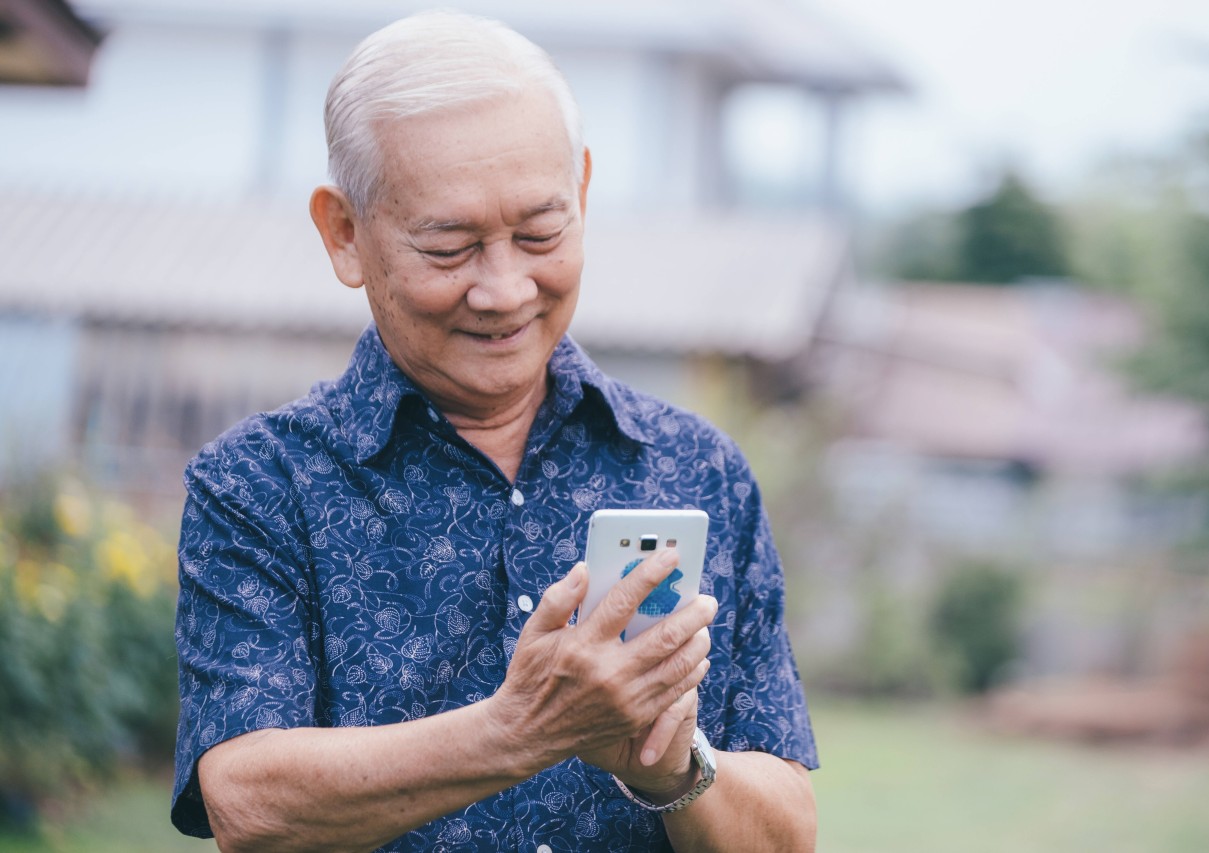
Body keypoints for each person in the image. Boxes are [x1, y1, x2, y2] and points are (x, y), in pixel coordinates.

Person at [171, 10, 818, 852]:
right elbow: (248, 804)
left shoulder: (698, 469)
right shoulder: (259, 485)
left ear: (583, 192)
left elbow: (788, 833)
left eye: (541, 233)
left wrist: (673, 765)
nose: (506, 288)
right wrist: (519, 729)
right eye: (451, 246)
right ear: (344, 233)